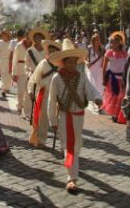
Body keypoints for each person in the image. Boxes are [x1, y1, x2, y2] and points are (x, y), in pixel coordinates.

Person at [46, 38, 102, 193]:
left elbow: (89, 90)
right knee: (68, 146)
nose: (71, 65)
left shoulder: (81, 76)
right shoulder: (56, 78)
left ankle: (73, 166)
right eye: (68, 62)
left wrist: (97, 98)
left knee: (76, 145)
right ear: (63, 62)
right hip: (64, 116)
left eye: (74, 62)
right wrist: (52, 120)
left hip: (79, 116)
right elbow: (51, 101)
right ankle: (72, 178)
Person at [27, 39, 65, 147]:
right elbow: (34, 79)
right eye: (51, 51)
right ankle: (40, 139)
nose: (52, 53)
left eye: (55, 51)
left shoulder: (62, 65)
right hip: (44, 93)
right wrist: (30, 91)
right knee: (42, 118)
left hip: (58, 95)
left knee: (60, 119)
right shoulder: (43, 63)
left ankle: (64, 144)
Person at [24, 28, 51, 121]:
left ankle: (39, 113)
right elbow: (26, 64)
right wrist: (28, 73)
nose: (38, 39)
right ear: (33, 39)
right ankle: (28, 114)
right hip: (32, 74)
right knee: (29, 94)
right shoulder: (29, 50)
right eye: (36, 37)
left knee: (42, 95)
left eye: (40, 38)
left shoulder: (46, 50)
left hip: (44, 75)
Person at [101, 34, 128, 123]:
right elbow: (104, 68)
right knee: (113, 97)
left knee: (121, 97)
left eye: (116, 42)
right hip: (112, 79)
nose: (114, 44)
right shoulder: (109, 53)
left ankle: (119, 114)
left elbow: (126, 67)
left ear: (120, 43)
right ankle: (114, 114)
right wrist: (103, 79)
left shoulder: (124, 53)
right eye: (112, 42)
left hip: (122, 78)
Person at [11, 29, 31, 117]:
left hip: (30, 70)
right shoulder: (19, 45)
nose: (28, 38)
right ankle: (19, 106)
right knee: (20, 91)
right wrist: (14, 72)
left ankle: (27, 111)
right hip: (20, 69)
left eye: (30, 36)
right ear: (25, 36)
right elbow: (14, 59)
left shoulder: (34, 46)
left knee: (28, 91)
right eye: (27, 35)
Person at [86, 34, 105, 113]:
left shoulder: (102, 49)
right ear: (93, 41)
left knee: (100, 88)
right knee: (94, 88)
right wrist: (87, 63)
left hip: (99, 71)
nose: (97, 41)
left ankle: (99, 105)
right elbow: (85, 59)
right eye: (95, 40)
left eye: (98, 40)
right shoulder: (89, 49)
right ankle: (98, 105)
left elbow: (104, 59)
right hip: (92, 71)